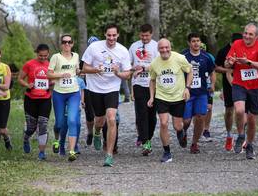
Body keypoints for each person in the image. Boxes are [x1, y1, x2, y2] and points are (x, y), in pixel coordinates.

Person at [82, 24, 131, 167]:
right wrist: (95, 69)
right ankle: (97, 132)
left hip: (112, 89)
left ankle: (109, 154)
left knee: (111, 118)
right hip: (95, 89)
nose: (111, 38)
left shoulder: (122, 51)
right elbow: (84, 68)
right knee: (99, 121)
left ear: (118, 35)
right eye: (109, 35)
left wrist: (117, 73)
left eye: (114, 35)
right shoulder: (94, 47)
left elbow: (127, 74)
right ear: (105, 34)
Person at [224, 23, 258, 159]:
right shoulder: (237, 44)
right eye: (245, 33)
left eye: (250, 34)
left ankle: (249, 145)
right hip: (239, 84)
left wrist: (248, 62)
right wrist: (230, 62)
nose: (246, 36)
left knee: (252, 120)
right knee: (239, 110)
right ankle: (241, 135)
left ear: (256, 36)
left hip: (256, 85)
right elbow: (226, 64)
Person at [148, 38, 193, 163]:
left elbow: (190, 71)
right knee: (163, 123)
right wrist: (152, 97)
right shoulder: (154, 63)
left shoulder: (179, 58)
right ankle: (167, 152)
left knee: (177, 125)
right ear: (158, 49)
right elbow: (152, 80)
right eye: (161, 48)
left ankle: (181, 132)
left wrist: (187, 88)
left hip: (178, 97)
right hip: (161, 97)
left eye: (166, 47)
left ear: (170, 47)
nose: (164, 50)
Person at [47, 34, 81, 161]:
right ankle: (56, 139)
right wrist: (61, 75)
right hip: (59, 93)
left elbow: (77, 69)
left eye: (69, 42)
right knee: (60, 123)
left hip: (73, 92)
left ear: (72, 43)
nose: (67, 44)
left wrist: (78, 71)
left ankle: (71, 151)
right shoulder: (56, 57)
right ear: (61, 44)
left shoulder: (76, 56)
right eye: (64, 42)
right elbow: (48, 74)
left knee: (72, 120)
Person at [182, 34, 215, 153]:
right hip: (187, 93)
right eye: (193, 41)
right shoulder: (183, 56)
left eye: (198, 41)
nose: (196, 43)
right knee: (186, 120)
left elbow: (212, 72)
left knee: (201, 117)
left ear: (201, 42)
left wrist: (212, 85)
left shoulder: (206, 57)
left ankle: (194, 143)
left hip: (202, 93)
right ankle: (184, 132)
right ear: (189, 43)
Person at [18, 44, 52, 160]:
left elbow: (54, 79)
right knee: (31, 128)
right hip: (31, 99)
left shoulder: (51, 65)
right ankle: (26, 138)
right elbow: (20, 79)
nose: (42, 58)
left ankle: (41, 152)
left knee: (43, 125)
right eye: (40, 55)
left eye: (45, 56)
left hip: (45, 99)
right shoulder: (29, 64)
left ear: (48, 54)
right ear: (36, 53)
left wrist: (51, 83)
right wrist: (28, 84)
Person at [129, 24, 159, 155]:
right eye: (142, 35)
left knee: (152, 116)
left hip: (153, 84)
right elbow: (128, 65)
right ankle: (146, 142)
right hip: (138, 84)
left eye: (147, 35)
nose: (144, 38)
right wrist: (133, 70)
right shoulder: (134, 46)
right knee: (141, 114)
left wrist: (144, 68)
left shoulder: (156, 46)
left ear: (151, 34)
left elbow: (159, 65)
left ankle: (147, 137)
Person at [215, 33, 243, 151]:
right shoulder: (223, 51)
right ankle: (229, 135)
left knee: (241, 111)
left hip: (243, 84)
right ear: (232, 43)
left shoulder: (244, 49)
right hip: (228, 85)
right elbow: (216, 67)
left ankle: (241, 136)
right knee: (229, 110)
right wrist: (228, 70)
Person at [59, 75, 85, 155]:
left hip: (76, 106)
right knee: (64, 127)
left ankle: (74, 145)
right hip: (65, 105)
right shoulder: (63, 79)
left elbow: (82, 92)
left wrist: (82, 101)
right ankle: (61, 145)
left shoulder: (80, 81)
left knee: (77, 124)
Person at [83, 36, 99, 146]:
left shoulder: (104, 55)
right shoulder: (85, 58)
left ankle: (98, 132)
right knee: (89, 115)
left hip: (101, 89)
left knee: (101, 114)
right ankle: (90, 133)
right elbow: (79, 72)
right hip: (88, 88)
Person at [200, 43, 216, 142]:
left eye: (202, 49)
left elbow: (213, 72)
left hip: (208, 85)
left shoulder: (209, 57)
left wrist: (213, 84)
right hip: (197, 86)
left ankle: (206, 129)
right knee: (199, 110)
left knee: (209, 108)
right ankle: (199, 129)